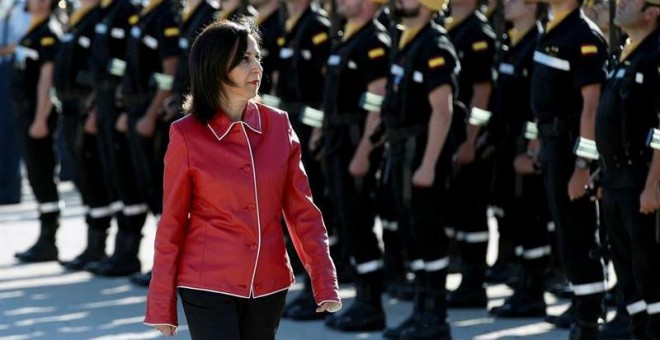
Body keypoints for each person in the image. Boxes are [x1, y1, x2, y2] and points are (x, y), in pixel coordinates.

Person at [143, 18, 342, 339]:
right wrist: (161, 302)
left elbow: (303, 211)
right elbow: (172, 223)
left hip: (269, 284)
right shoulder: (186, 134)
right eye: (244, 59)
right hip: (205, 284)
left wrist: (324, 279)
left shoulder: (279, 125)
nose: (257, 67)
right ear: (216, 68)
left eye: (257, 56)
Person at [379, 0, 458, 337]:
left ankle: (435, 318)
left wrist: (427, 165)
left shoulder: (434, 45)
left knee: (428, 233)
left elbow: (443, 110)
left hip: (421, 155)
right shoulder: (408, 40)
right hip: (403, 153)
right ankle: (421, 311)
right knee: (413, 234)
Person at [530, 0, 609, 336]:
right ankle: (581, 311)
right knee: (566, 235)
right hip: (553, 145)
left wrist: (582, 165)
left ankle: (590, 320)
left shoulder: (582, 34)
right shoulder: (554, 28)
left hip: (570, 148)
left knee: (579, 235)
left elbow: (591, 109)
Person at [130, 0, 220, 288]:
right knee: (172, 193)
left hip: (203, 117)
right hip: (183, 113)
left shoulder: (208, 16)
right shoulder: (186, 15)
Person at [319, 0, 390, 332]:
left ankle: (371, 303)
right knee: (347, 218)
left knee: (360, 221)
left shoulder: (374, 40)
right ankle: (361, 298)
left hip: (355, 141)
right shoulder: (348, 36)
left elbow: (377, 100)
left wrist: (364, 150)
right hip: (337, 140)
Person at [595, 0, 660, 337]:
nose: (620, 4)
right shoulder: (628, 53)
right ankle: (637, 328)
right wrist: (600, 172)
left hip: (640, 179)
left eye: (631, 1)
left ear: (652, 12)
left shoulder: (655, 55)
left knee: (649, 269)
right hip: (617, 178)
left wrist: (654, 183)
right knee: (628, 268)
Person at [488, 0, 551, 318]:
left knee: (531, 220)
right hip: (506, 146)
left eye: (513, 0)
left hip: (525, 150)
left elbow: (536, 106)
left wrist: (531, 149)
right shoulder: (512, 42)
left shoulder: (538, 44)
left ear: (531, 5)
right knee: (512, 215)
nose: (505, 5)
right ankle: (522, 284)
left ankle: (534, 289)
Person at [442, 0, 497, 309]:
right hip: (453, 137)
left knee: (472, 213)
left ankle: (475, 283)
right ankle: (465, 277)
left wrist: (471, 139)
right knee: (458, 212)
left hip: (469, 141)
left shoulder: (478, 32)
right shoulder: (451, 28)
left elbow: (482, 91)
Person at [54, 0, 115, 271]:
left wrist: (92, 109)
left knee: (92, 176)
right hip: (70, 108)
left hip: (85, 107)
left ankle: (98, 245)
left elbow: (100, 70)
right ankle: (92, 245)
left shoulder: (96, 19)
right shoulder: (79, 18)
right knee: (81, 175)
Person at [10, 0, 61, 263]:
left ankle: (49, 239)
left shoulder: (49, 33)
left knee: (41, 173)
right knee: (34, 173)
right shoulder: (32, 30)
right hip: (25, 114)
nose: (38, 2)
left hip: (36, 115)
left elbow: (47, 81)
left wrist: (41, 118)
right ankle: (44, 236)